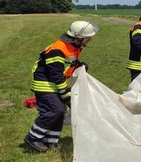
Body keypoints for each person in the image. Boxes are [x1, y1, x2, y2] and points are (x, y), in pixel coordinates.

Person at [24, 21, 99, 152]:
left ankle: (51, 141)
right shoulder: (58, 49)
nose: (90, 39)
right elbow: (56, 74)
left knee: (61, 111)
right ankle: (33, 137)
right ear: (79, 37)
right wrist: (65, 92)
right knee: (55, 110)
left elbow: (68, 64)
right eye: (88, 37)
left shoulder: (73, 46)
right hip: (45, 84)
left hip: (54, 83)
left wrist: (79, 66)